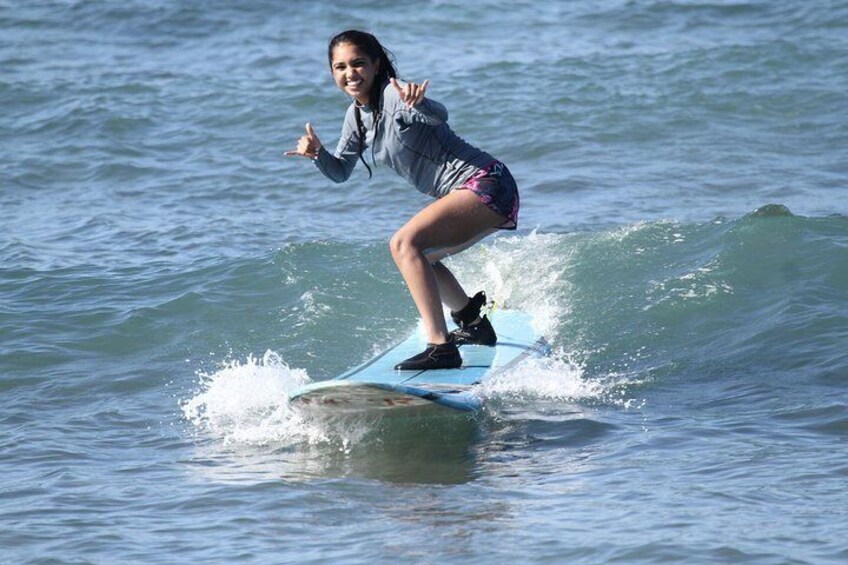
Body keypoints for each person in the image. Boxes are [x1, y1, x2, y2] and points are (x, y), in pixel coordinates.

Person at [285, 30, 520, 371]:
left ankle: (440, 346)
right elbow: (339, 172)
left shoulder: (396, 95)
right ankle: (473, 323)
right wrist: (318, 154)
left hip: (486, 181)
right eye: (340, 67)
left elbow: (439, 116)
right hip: (476, 190)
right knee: (420, 257)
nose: (350, 73)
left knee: (403, 244)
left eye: (358, 63)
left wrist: (419, 102)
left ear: (376, 64)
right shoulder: (356, 118)